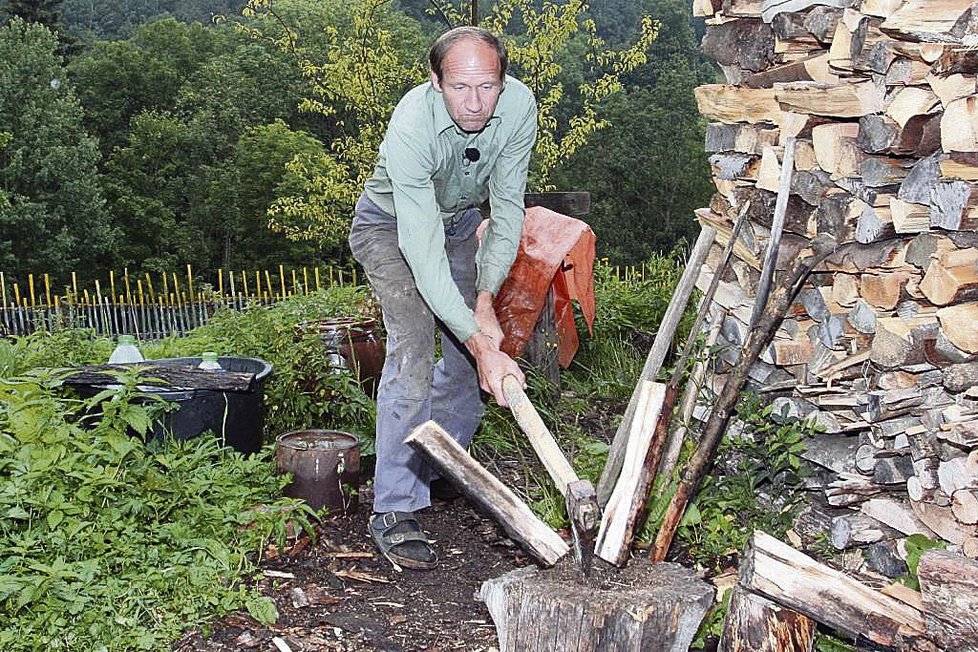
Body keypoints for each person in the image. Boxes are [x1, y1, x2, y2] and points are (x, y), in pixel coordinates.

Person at [348, 26, 538, 570]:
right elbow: (422, 250)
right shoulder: (411, 125)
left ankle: (443, 463)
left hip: (459, 225)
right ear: (436, 82)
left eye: (487, 86)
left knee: (470, 353)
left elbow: (506, 208)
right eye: (460, 87)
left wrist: (483, 303)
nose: (475, 103)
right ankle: (395, 505)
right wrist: (480, 341)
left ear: (503, 81)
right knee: (415, 340)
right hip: (391, 228)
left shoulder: (519, 108)